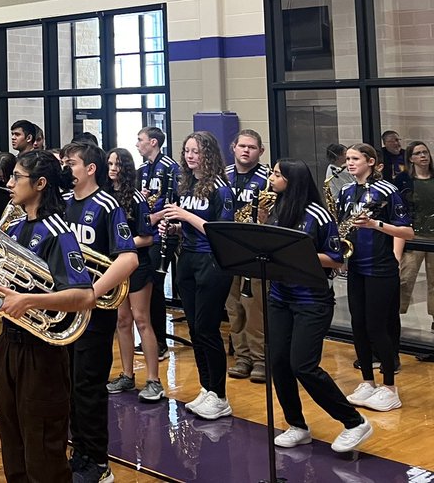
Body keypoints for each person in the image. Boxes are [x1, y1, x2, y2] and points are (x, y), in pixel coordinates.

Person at [0, 149, 95, 483]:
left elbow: (83, 295)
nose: (9, 183)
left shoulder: (59, 232)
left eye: (16, 178)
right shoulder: (17, 227)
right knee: (12, 440)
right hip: (10, 343)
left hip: (42, 354)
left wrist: (30, 300)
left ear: (39, 184)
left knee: (42, 452)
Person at [261, 158, 375, 454]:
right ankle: (297, 425)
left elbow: (335, 258)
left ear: (292, 180)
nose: (271, 178)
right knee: (278, 363)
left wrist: (298, 254)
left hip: (311, 300)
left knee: (304, 366)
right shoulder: (277, 209)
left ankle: (354, 422)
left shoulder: (318, 215)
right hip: (279, 297)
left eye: (276, 174)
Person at [61, 141, 138, 483]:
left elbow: (128, 258)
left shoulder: (107, 205)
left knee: (88, 387)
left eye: (71, 163)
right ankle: (79, 451)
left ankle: (97, 462)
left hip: (93, 310)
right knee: (70, 385)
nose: (66, 168)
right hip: (65, 309)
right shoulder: (62, 205)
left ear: (90, 169)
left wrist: (93, 292)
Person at [158, 130, 235, 420]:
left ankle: (221, 394)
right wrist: (174, 227)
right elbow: (189, 225)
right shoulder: (187, 186)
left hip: (212, 263)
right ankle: (207, 388)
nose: (191, 156)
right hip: (188, 258)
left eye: (197, 151)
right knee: (194, 328)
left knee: (207, 328)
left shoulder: (221, 188)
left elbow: (220, 231)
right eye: (187, 150)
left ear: (209, 154)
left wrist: (185, 216)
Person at [337, 143, 413, 411]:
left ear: (371, 161)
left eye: (355, 158)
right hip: (356, 267)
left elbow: (407, 232)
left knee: (377, 326)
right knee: (358, 324)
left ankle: (390, 388)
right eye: (347, 158)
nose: (349, 163)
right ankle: (368, 382)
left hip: (381, 268)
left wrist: (375, 224)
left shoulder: (387, 191)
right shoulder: (345, 192)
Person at [105, 147, 163, 403]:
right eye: (110, 163)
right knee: (122, 321)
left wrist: (121, 245)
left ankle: (154, 380)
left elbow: (147, 237)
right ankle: (127, 374)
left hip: (138, 266)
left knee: (142, 320)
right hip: (115, 266)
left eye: (117, 164)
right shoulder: (105, 197)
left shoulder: (136, 199)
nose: (113, 168)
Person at [226, 130, 270, 383]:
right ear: (233, 147)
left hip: (255, 253)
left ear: (260, 151)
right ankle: (242, 356)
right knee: (233, 308)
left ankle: (260, 358)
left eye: (252, 147)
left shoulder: (267, 178)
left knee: (255, 309)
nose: (246, 151)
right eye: (242, 145)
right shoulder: (224, 176)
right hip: (229, 251)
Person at [137, 126, 177, 363]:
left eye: (140, 140)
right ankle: (150, 337)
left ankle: (159, 341)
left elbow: (174, 201)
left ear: (153, 142)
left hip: (163, 232)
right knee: (147, 288)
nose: (138, 144)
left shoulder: (170, 168)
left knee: (156, 286)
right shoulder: (142, 169)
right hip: (145, 231)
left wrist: (157, 216)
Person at [397, 141, 434, 332]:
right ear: (411, 158)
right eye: (418, 153)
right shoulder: (403, 180)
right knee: (406, 277)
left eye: (425, 152)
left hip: (433, 236)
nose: (423, 156)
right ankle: (394, 315)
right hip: (414, 236)